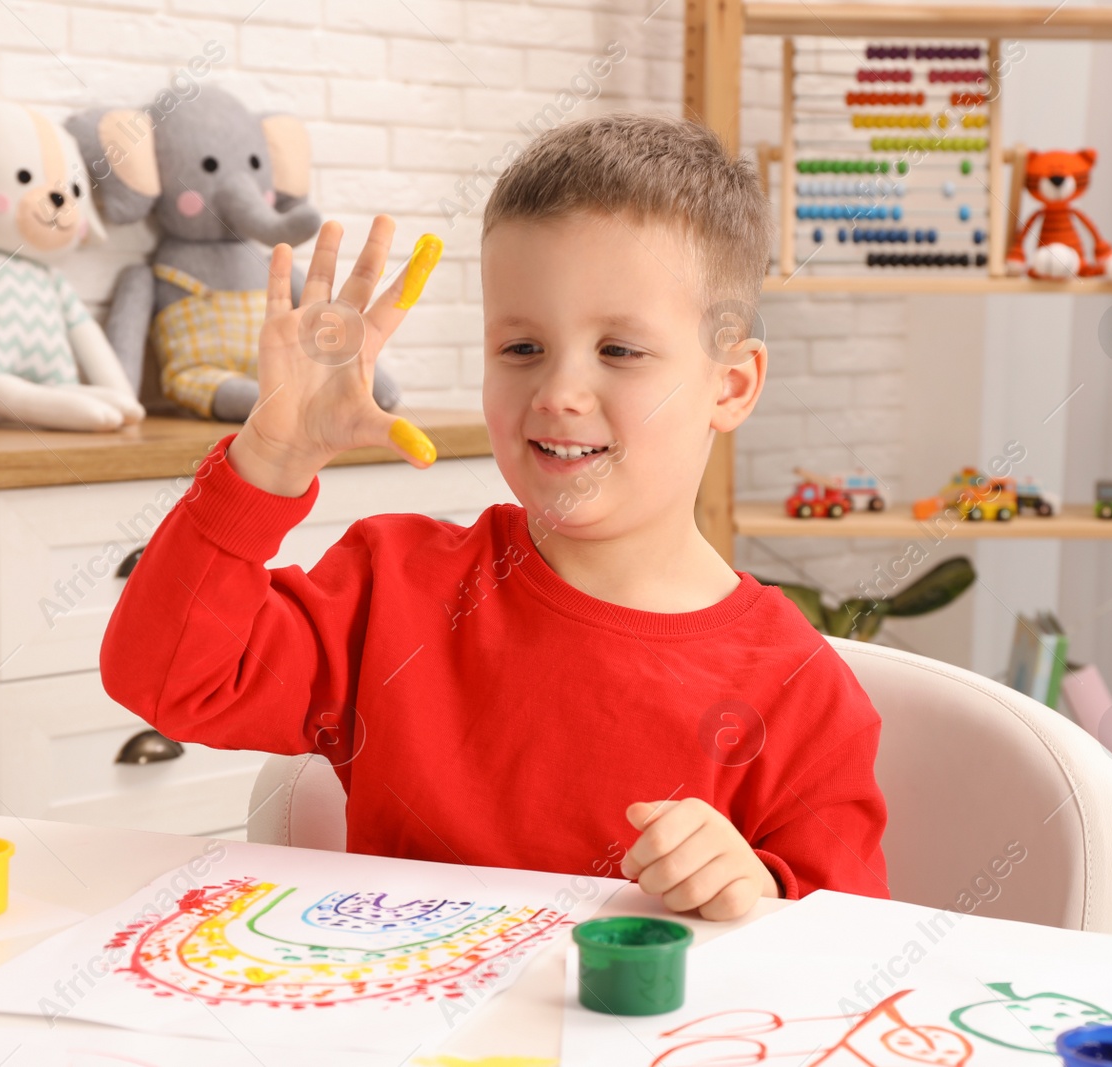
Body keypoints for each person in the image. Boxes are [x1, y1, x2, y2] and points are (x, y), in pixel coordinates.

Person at [101, 112, 888, 920]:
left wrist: (758, 890)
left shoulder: (801, 693)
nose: (557, 394)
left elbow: (847, 949)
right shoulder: (393, 584)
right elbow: (161, 677)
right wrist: (268, 456)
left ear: (730, 386)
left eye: (620, 350)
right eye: (521, 348)